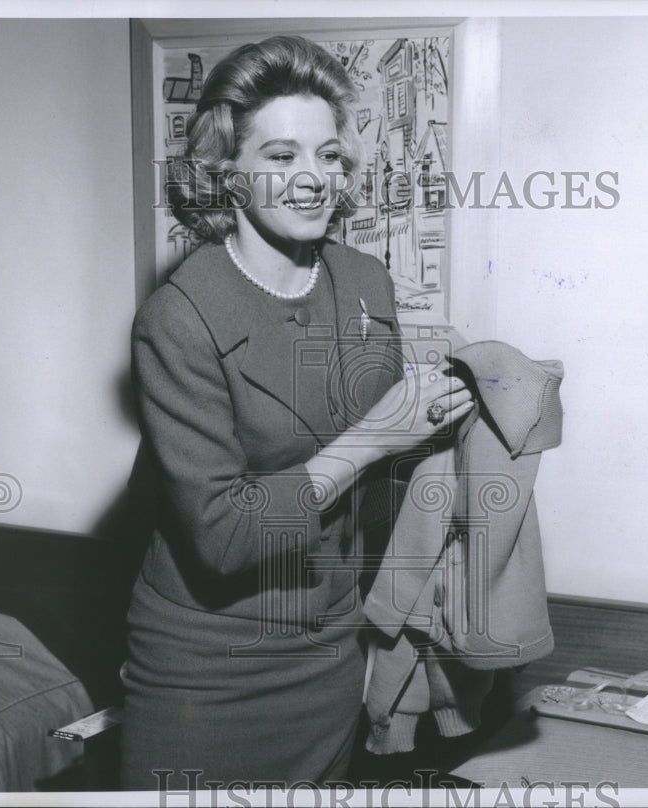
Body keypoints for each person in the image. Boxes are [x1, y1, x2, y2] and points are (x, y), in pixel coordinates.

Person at [120, 35, 473, 789]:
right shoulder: (178, 319)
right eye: (281, 158)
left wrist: (448, 404)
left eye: (329, 157)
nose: (314, 179)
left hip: (330, 651)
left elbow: (377, 467)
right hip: (208, 669)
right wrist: (376, 437)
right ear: (225, 172)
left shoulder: (367, 281)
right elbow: (224, 535)